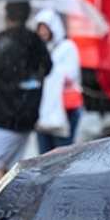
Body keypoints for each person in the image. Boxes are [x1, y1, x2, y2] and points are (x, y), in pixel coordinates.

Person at [0, 1, 53, 189]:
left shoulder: (3, 44)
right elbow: (48, 67)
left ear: (7, 16)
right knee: (8, 166)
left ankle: (11, 206)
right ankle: (8, 209)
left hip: (3, 115)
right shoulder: (35, 42)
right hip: (27, 113)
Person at [34, 9, 82, 154]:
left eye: (45, 28)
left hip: (65, 110)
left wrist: (51, 73)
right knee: (44, 158)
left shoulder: (67, 48)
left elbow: (71, 74)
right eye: (40, 28)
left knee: (62, 156)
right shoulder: (40, 50)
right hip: (43, 113)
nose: (42, 32)